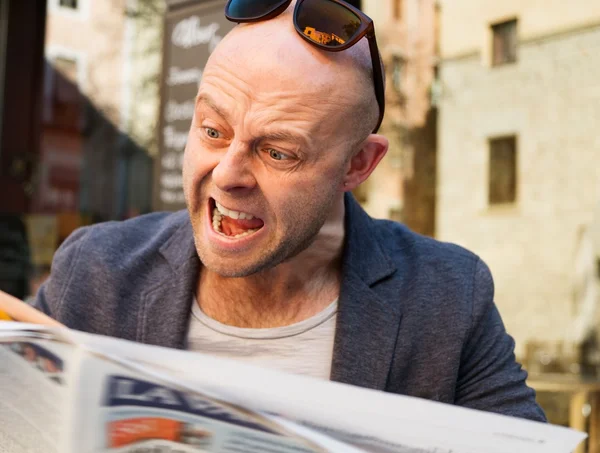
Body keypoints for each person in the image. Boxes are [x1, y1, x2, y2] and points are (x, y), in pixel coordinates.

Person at [32, 0, 545, 421]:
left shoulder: (449, 298)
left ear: (358, 165)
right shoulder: (95, 273)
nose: (228, 173)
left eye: (278, 152)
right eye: (212, 131)